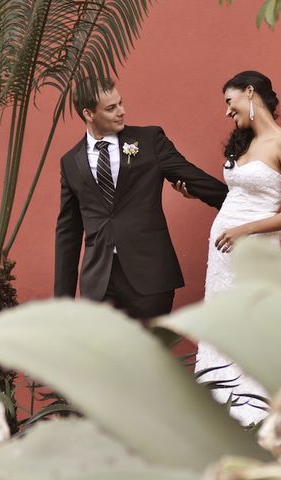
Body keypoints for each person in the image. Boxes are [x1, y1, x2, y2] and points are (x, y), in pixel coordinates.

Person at [175, 71, 281, 426]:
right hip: (222, 257)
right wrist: (197, 193)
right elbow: (236, 196)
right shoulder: (244, 143)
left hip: (255, 253)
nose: (227, 111)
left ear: (250, 93)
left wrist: (245, 230)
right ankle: (220, 416)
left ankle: (254, 417)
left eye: (229, 101)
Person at [54, 78, 228, 321]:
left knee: (148, 355)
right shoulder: (71, 162)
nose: (121, 112)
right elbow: (68, 232)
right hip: (98, 284)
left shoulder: (149, 141)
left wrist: (238, 205)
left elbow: (194, 178)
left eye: (120, 103)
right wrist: (62, 301)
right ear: (88, 113)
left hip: (149, 277)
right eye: (110, 108)